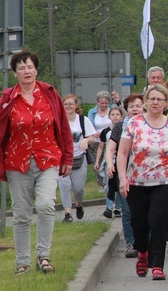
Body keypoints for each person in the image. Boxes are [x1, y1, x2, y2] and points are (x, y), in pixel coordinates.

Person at [0, 50, 73, 274]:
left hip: (47, 159)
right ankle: (23, 263)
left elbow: (63, 127)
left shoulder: (49, 93)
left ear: (36, 70)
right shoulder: (8, 98)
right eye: (21, 68)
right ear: (15, 73)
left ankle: (44, 257)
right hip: (17, 163)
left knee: (46, 205)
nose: (26, 71)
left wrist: (67, 157)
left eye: (30, 67)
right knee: (21, 214)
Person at [117, 84, 168, 280]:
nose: (155, 102)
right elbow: (122, 153)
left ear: (166, 103)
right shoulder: (134, 123)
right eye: (152, 98)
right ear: (146, 101)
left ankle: (157, 265)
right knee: (139, 223)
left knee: (158, 220)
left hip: (165, 181)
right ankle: (142, 252)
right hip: (137, 182)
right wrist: (123, 178)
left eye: (159, 99)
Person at [106, 93, 144, 259]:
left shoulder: (151, 125)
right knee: (128, 211)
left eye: (138, 106)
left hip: (146, 174)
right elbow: (111, 148)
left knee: (143, 211)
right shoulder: (120, 127)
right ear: (127, 110)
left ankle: (145, 242)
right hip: (125, 174)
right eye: (131, 107)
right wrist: (109, 164)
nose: (135, 109)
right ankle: (131, 243)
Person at [58, 94, 97, 222]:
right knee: (65, 185)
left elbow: (93, 137)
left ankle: (79, 204)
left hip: (79, 157)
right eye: (66, 104)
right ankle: (67, 213)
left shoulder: (83, 120)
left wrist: (86, 140)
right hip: (62, 159)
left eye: (71, 104)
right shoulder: (58, 120)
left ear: (76, 106)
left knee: (78, 188)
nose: (68, 106)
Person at [95, 106, 124, 218]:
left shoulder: (124, 129)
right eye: (113, 114)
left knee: (119, 183)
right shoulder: (105, 132)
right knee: (108, 184)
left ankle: (118, 207)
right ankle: (108, 207)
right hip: (109, 160)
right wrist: (97, 161)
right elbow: (101, 147)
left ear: (121, 116)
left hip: (120, 160)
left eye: (117, 114)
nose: (115, 116)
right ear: (109, 116)